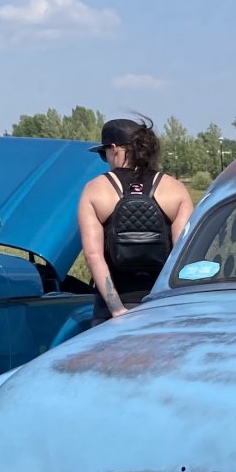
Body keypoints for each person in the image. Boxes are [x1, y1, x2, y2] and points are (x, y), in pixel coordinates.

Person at [76, 117, 194, 323]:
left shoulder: (95, 189)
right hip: (163, 304)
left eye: (104, 153)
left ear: (114, 149)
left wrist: (117, 309)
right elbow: (184, 254)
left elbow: (93, 255)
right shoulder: (175, 188)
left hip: (113, 307)